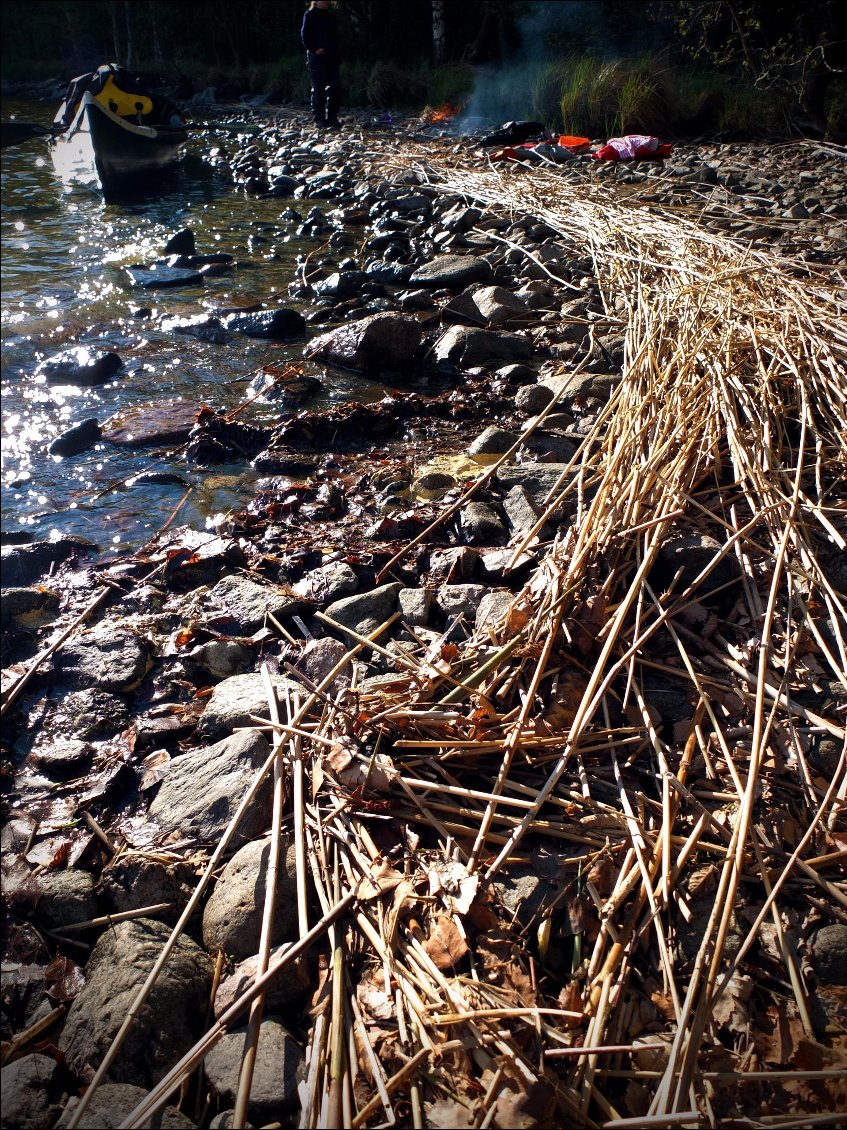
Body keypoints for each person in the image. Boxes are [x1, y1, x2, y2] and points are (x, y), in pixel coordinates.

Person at [301, 0, 341, 129]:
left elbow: (335, 37)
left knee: (335, 87)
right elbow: (305, 35)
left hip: (332, 56)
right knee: (318, 88)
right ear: (316, 2)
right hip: (316, 57)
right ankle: (319, 118)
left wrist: (337, 54)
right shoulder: (310, 15)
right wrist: (314, 49)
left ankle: (332, 117)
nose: (326, 3)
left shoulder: (331, 16)